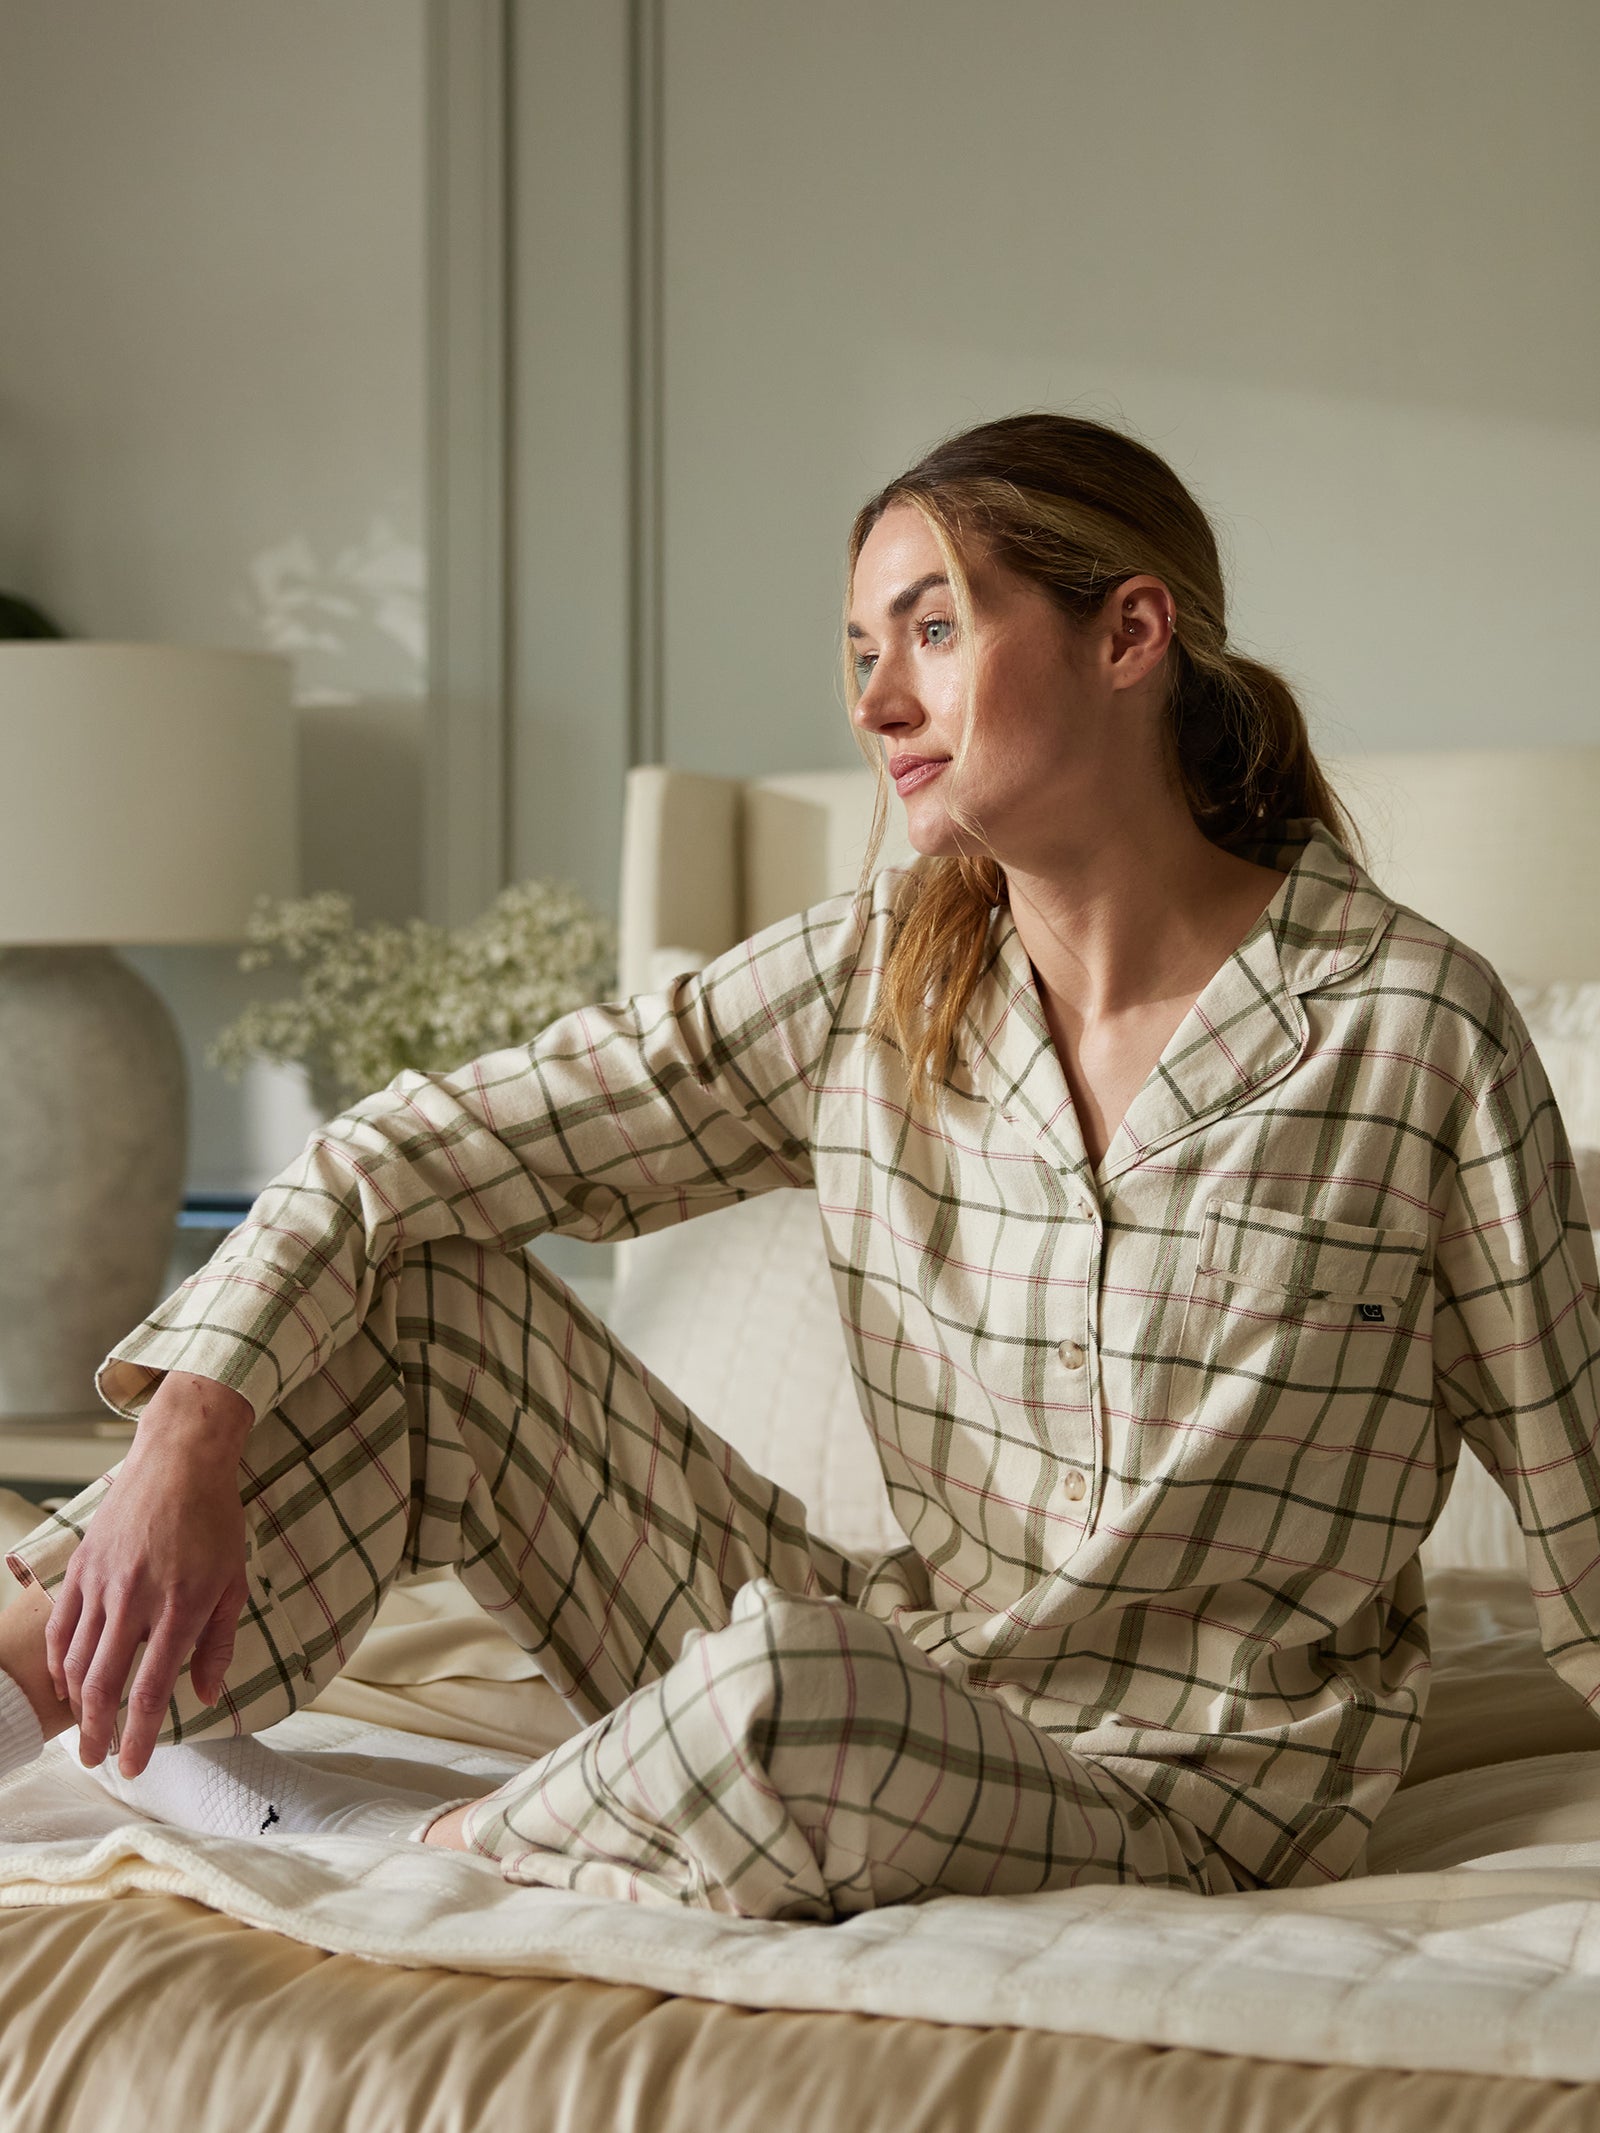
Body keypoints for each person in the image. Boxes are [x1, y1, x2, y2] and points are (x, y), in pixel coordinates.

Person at [3, 412, 1597, 1917]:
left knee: (790, 1687)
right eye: (859, 651)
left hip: (1182, 1795)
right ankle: (21, 1688)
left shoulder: (1412, 1032)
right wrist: (188, 1428)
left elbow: (1581, 1488)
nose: (875, 702)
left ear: (1129, 635)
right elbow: (414, 1146)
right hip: (912, 1668)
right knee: (430, 1318)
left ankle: (387, 1840)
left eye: (933, 630)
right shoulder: (879, 976)